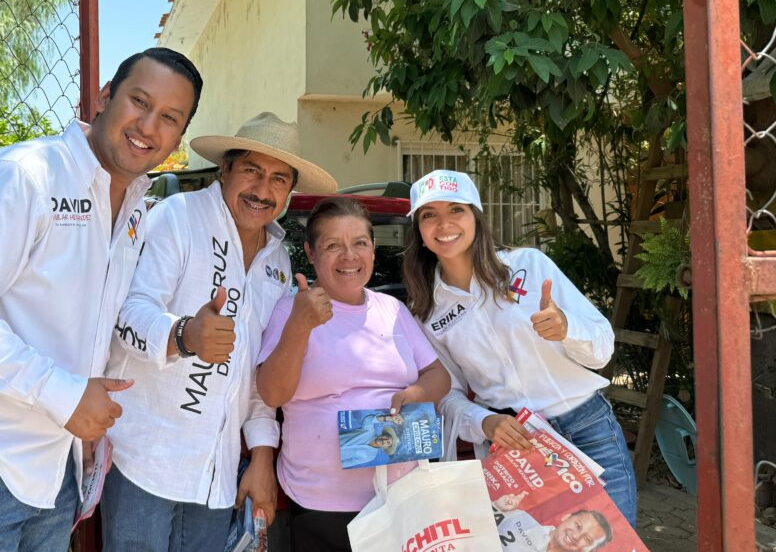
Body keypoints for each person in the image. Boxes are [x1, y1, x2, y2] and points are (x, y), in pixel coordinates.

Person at [0, 48, 202, 551]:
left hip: (55, 466)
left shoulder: (136, 207)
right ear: (104, 97)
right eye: (139, 101)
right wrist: (65, 395)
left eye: (169, 118)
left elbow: (90, 323)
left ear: (178, 138)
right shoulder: (24, 173)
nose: (148, 125)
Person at [101, 112, 338, 551]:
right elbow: (127, 316)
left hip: (217, 471)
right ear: (225, 170)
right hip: (144, 459)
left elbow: (256, 372)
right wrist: (184, 335)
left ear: (290, 191)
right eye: (251, 170)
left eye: (279, 179)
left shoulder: (277, 261)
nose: (262, 190)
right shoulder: (177, 218)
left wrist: (262, 455)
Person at [402, 169, 638, 526]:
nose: (444, 223)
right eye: (428, 215)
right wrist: (485, 421)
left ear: (476, 217)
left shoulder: (528, 265)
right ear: (419, 230)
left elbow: (602, 348)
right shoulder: (427, 312)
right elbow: (446, 395)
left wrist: (567, 328)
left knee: (614, 547)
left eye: (456, 210)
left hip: (588, 431)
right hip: (515, 447)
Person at [256, 197, 451, 552]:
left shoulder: (392, 310)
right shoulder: (290, 309)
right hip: (322, 505)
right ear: (311, 254)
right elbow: (271, 394)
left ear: (373, 251)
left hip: (402, 498)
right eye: (333, 246)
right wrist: (301, 325)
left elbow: (438, 374)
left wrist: (416, 394)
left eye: (359, 243)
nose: (349, 256)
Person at [493, 491, 614, 552]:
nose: (576, 536)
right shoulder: (521, 518)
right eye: (578, 526)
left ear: (591, 550)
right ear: (566, 517)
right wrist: (498, 507)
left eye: (587, 539)